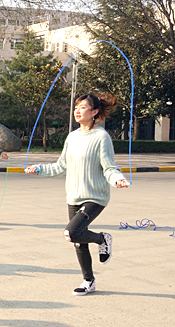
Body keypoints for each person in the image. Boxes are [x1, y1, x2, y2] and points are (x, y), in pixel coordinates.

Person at [25, 93, 130, 296]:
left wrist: (118, 179)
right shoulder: (72, 137)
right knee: (78, 241)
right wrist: (39, 169)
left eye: (82, 107)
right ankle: (89, 281)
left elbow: (109, 167)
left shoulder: (101, 137)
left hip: (95, 197)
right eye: (76, 107)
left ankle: (102, 239)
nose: (77, 111)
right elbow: (60, 166)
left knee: (71, 233)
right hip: (73, 195)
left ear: (95, 112)